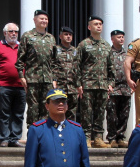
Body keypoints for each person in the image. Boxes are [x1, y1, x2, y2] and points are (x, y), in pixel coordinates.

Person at [75, 16, 112, 148]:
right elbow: (77, 65)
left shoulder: (106, 46)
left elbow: (110, 66)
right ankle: (86, 137)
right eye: (96, 24)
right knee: (86, 113)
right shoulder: (83, 44)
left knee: (100, 113)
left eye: (100, 24)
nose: (99, 26)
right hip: (88, 85)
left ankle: (98, 138)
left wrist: (110, 83)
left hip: (102, 85)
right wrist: (78, 84)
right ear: (89, 27)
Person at [15, 9, 55, 125]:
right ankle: (33, 131)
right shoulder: (27, 36)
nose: (44, 21)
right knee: (33, 107)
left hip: (47, 79)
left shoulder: (51, 38)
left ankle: (44, 131)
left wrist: (54, 79)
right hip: (32, 79)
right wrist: (21, 76)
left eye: (46, 19)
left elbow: (54, 61)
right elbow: (20, 59)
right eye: (41, 18)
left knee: (47, 106)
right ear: (34, 20)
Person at [0, 23, 25, 147]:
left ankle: (15, 139)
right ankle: (4, 139)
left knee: (18, 114)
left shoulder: (22, 47)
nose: (14, 34)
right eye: (11, 31)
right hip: (3, 85)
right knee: (4, 114)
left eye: (16, 31)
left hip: (20, 86)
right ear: (5, 33)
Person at [105, 29, 132, 148]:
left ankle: (120, 137)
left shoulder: (128, 54)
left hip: (125, 88)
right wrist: (107, 85)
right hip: (113, 88)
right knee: (112, 114)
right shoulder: (108, 53)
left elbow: (133, 69)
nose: (121, 39)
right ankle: (112, 138)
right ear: (112, 39)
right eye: (118, 37)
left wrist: (133, 84)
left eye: (122, 37)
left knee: (124, 114)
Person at [51, 26, 78, 122]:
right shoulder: (55, 49)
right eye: (66, 34)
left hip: (72, 86)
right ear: (60, 36)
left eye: (70, 35)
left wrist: (79, 85)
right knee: (58, 110)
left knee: (72, 111)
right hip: (60, 85)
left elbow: (78, 68)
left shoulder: (75, 51)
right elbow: (51, 65)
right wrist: (53, 80)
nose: (68, 36)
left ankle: (70, 129)